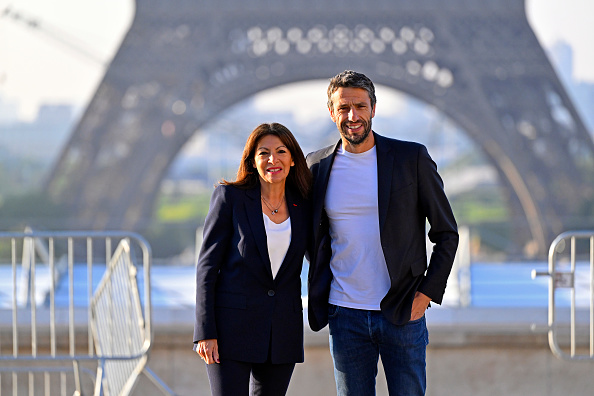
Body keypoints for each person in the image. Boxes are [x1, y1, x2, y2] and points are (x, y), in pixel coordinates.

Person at [306, 70, 459, 396]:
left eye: (360, 106)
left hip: (403, 310)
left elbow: (447, 232)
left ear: (373, 108)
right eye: (344, 108)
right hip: (344, 314)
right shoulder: (316, 166)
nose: (353, 116)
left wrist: (427, 294)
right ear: (332, 112)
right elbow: (304, 234)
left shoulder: (410, 159)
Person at [193, 122, 312, 396]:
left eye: (281, 151)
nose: (273, 159)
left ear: (293, 159)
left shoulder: (304, 205)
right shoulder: (229, 198)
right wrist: (205, 331)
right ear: (252, 161)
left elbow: (321, 258)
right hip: (229, 330)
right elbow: (207, 268)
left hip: (282, 329)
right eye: (264, 153)